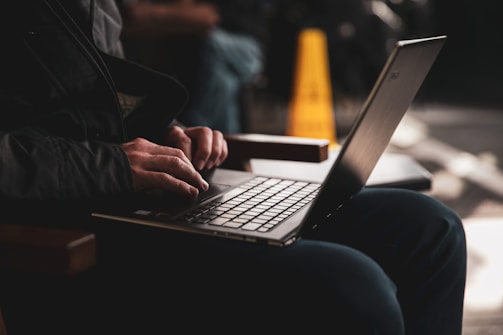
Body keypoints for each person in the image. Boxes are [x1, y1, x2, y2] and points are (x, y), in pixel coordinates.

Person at [0, 0, 466, 334]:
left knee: (431, 228)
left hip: (138, 197)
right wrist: (109, 165)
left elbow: (103, 107)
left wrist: (169, 133)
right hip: (62, 233)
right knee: (353, 286)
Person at [117, 0, 267, 133]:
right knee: (223, 81)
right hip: (207, 60)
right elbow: (125, 23)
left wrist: (152, 13)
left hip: (246, 49)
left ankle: (192, 131)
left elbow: (208, 18)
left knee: (209, 44)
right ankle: (216, 144)